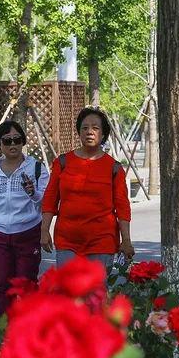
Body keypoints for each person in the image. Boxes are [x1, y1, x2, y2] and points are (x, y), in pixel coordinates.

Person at [41, 107, 134, 269]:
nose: (89, 132)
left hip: (102, 241)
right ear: (79, 132)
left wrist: (126, 241)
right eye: (84, 128)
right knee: (69, 291)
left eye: (95, 128)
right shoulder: (62, 163)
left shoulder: (114, 168)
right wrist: (44, 230)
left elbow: (122, 208)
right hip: (67, 240)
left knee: (95, 293)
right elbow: (50, 199)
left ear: (103, 134)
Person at [0, 121, 49, 314]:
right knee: (2, 287)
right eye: (7, 141)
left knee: (27, 286)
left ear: (23, 142)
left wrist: (33, 193)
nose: (13, 145)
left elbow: (47, 204)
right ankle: (6, 331)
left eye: (17, 140)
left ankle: (29, 332)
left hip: (28, 233)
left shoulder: (36, 169)